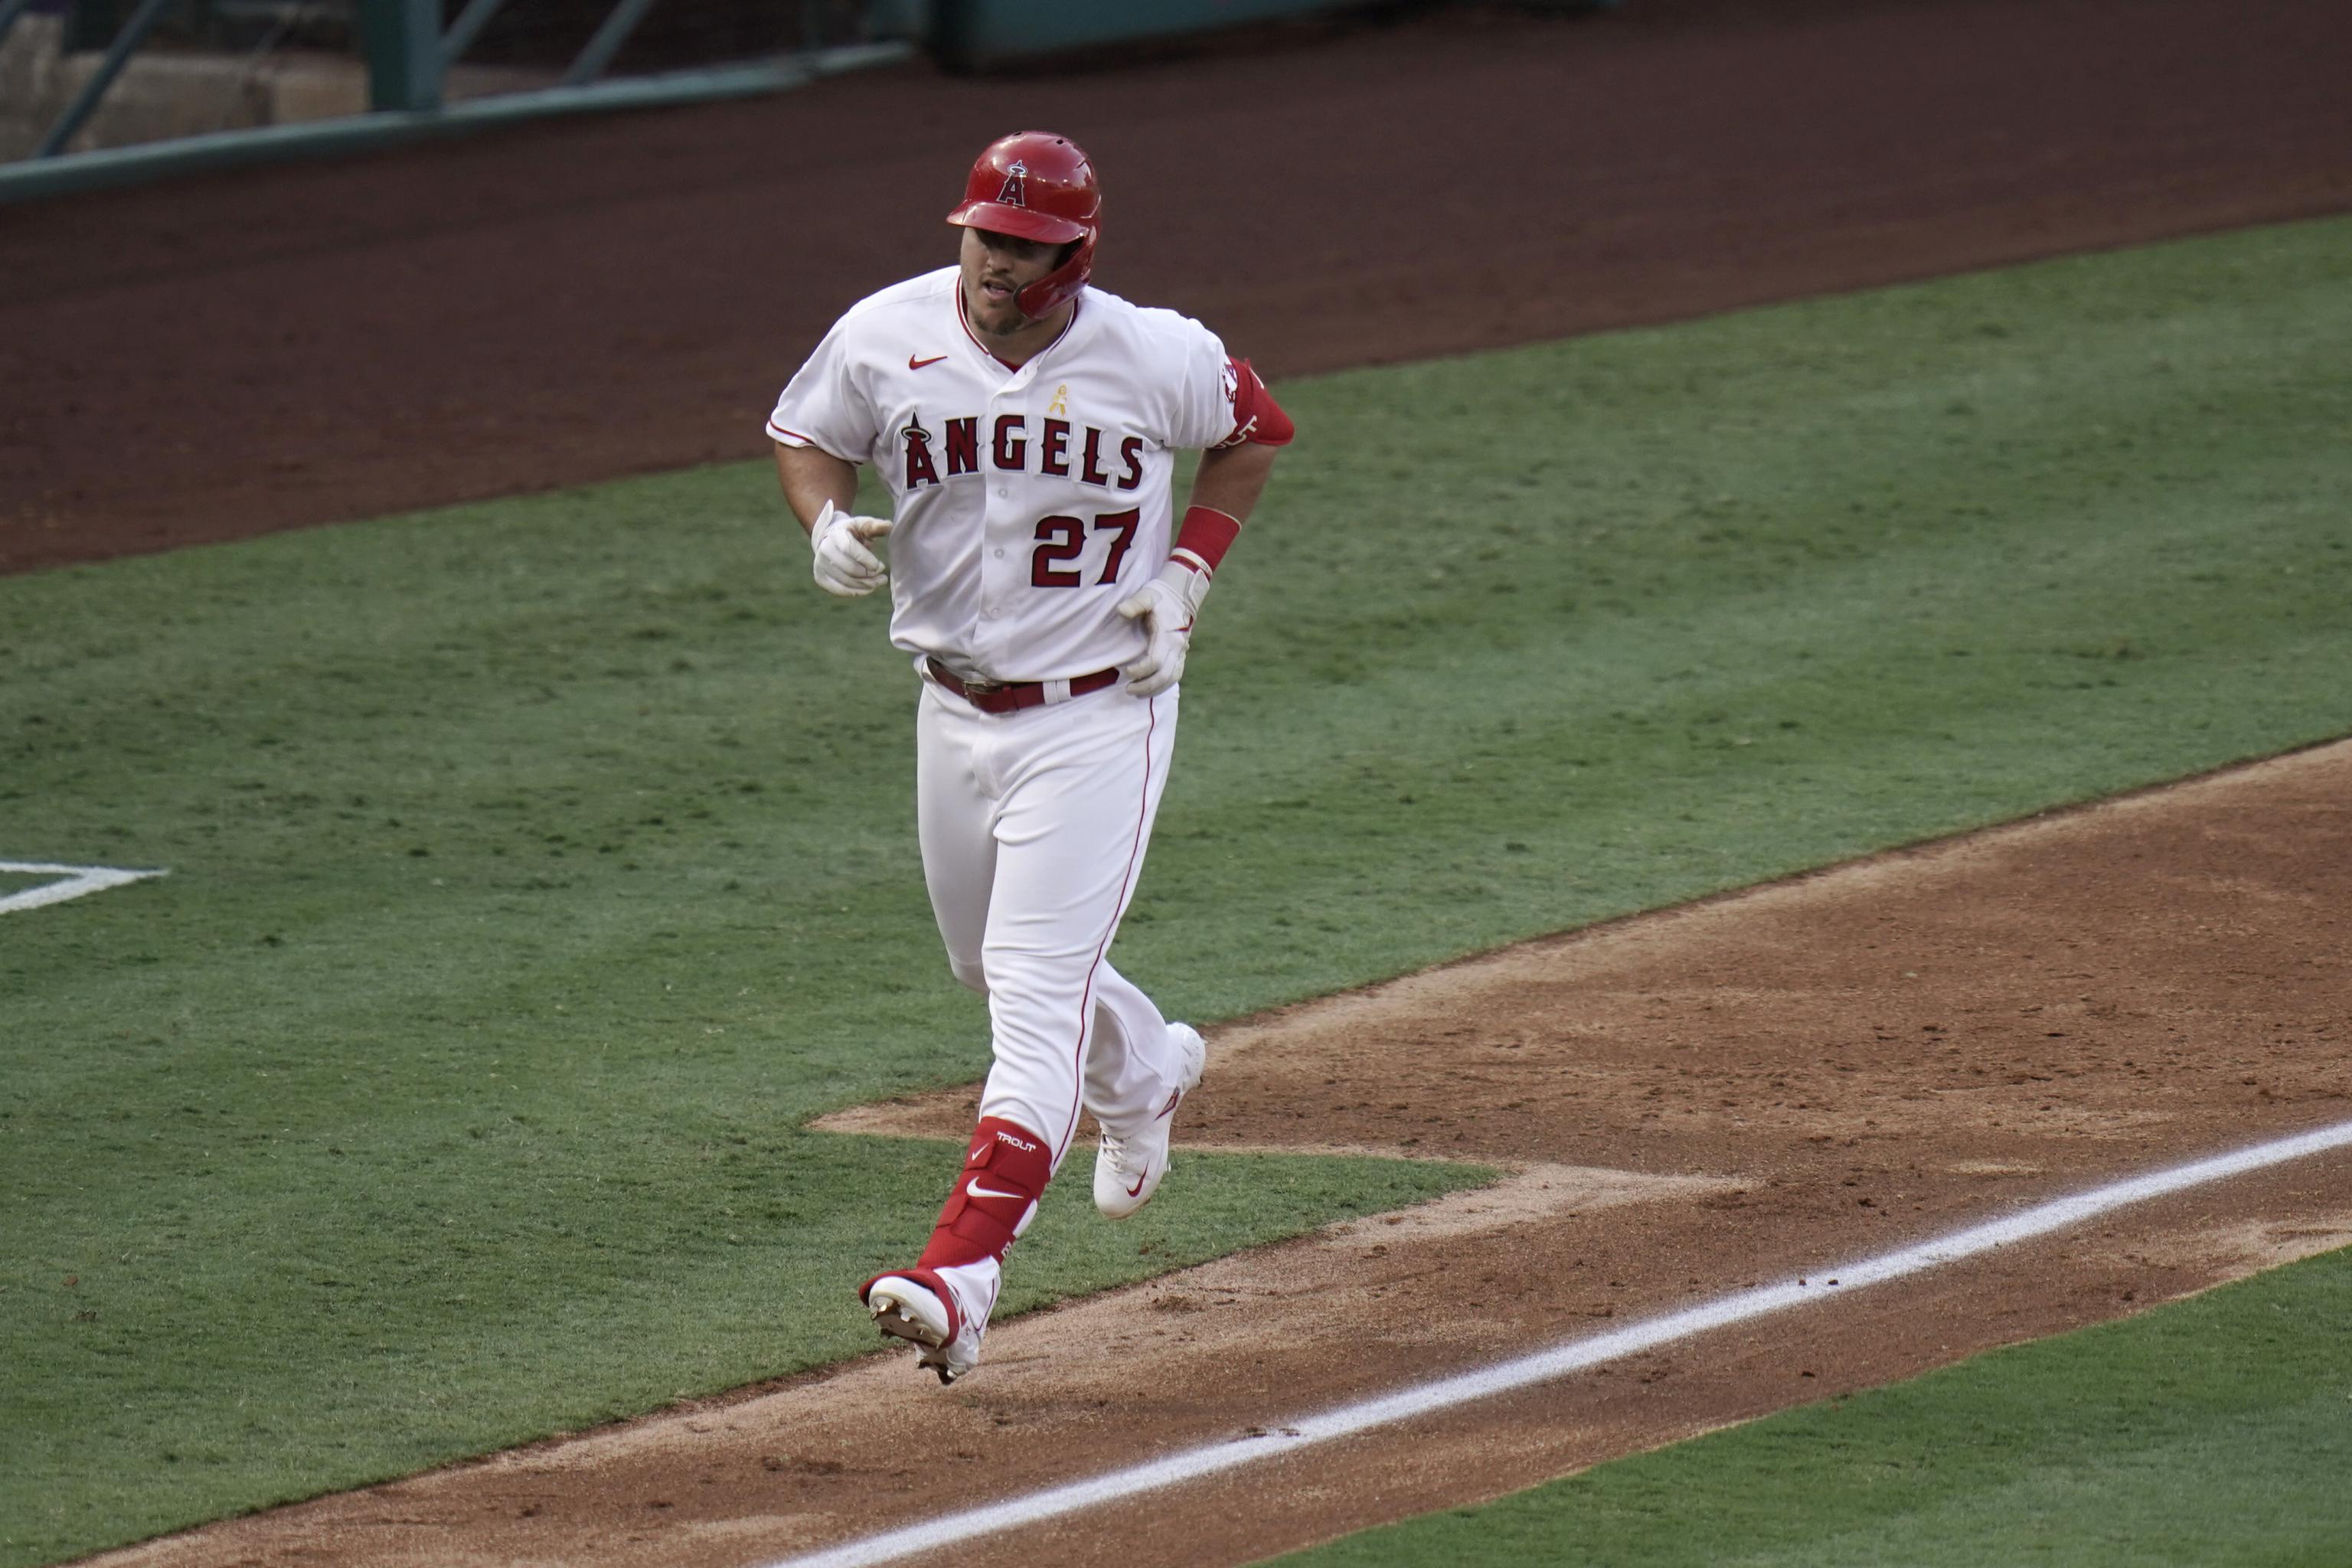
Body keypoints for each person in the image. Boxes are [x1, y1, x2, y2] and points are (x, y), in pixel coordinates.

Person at [763, 130, 1293, 1383]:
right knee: (980, 964)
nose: (1001, 264)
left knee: (1031, 995)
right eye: (988, 237)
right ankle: (1148, 1074)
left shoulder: (1153, 351)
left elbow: (1257, 429)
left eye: (1031, 248)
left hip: (1101, 713)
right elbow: (803, 432)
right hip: (950, 709)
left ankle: (961, 1271)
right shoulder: (886, 330)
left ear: (1080, 253)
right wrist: (825, 521)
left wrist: (1186, 572)